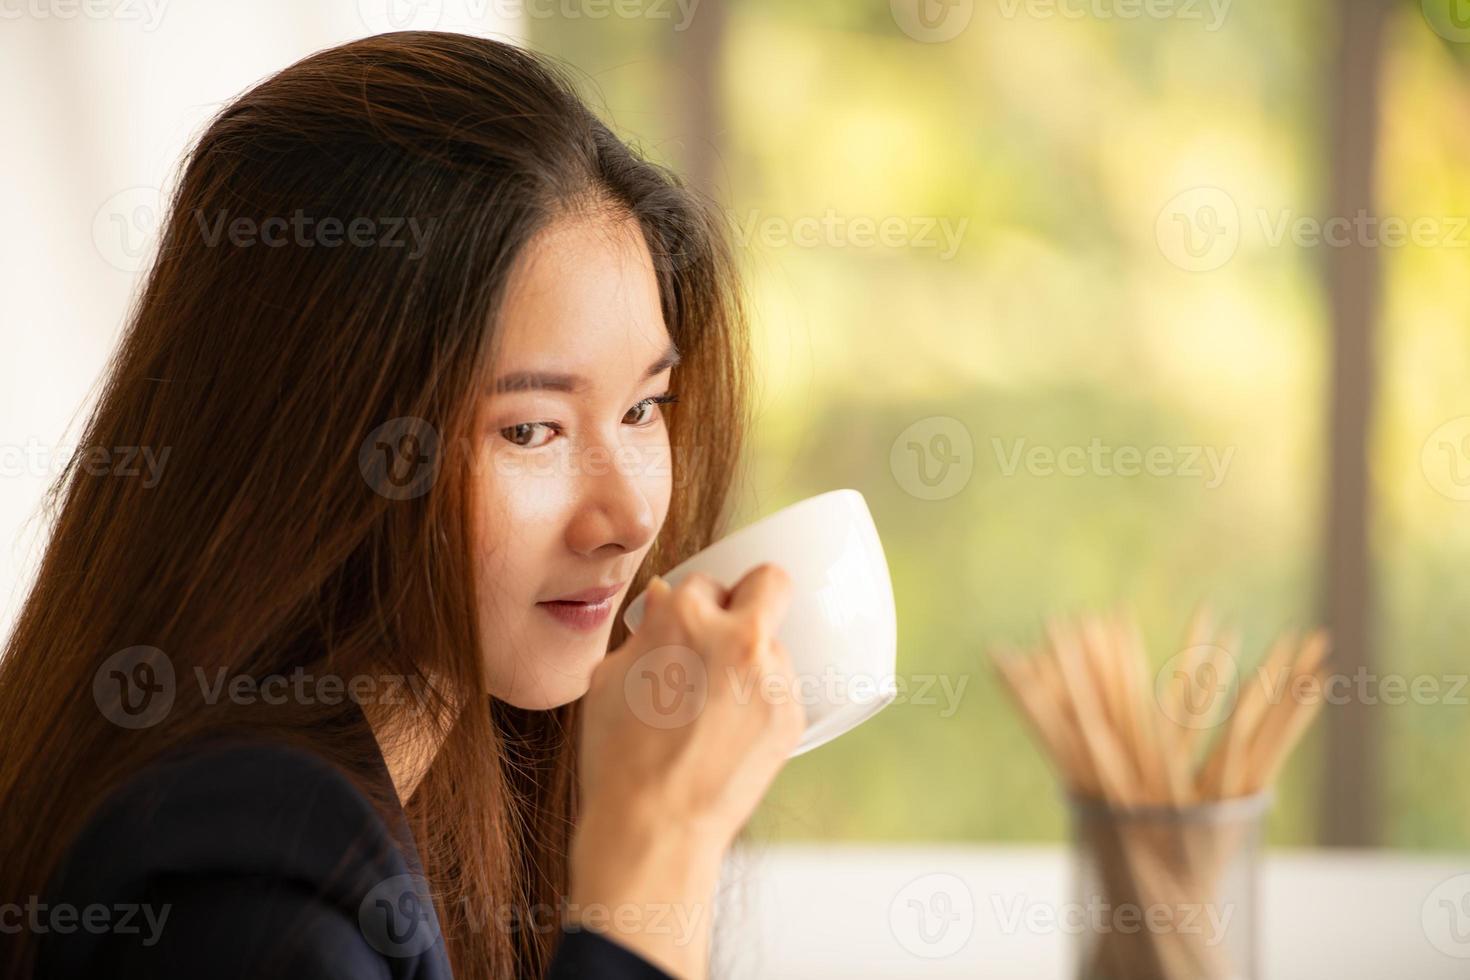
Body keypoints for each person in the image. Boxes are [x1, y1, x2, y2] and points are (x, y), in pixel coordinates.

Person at [0, 31, 804, 980]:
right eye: (531, 431)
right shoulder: (250, 904)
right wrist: (657, 853)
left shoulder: (436, 811)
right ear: (328, 443)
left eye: (641, 408)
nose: (629, 519)